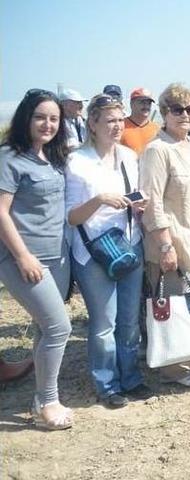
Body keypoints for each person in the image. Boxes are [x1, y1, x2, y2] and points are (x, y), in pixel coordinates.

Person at [65, 94, 151, 407]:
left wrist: (140, 204)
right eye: (109, 120)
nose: (116, 126)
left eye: (119, 119)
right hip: (93, 253)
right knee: (104, 323)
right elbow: (71, 216)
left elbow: (135, 198)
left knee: (128, 320)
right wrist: (99, 199)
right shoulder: (76, 161)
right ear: (92, 124)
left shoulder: (129, 156)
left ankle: (130, 377)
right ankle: (107, 385)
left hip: (129, 246)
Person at [0, 88, 73, 429]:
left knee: (47, 328)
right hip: (25, 261)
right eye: (40, 117)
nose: (47, 124)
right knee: (60, 328)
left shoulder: (52, 156)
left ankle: (40, 395)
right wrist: (22, 256)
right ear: (26, 119)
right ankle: (47, 403)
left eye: (54, 118)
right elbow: (1, 212)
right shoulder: (9, 157)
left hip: (57, 258)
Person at [139, 83, 190, 388]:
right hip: (171, 244)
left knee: (188, 304)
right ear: (164, 113)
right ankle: (174, 369)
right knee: (170, 304)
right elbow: (152, 202)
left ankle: (188, 359)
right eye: (176, 109)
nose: (185, 115)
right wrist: (165, 245)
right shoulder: (157, 150)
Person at [120, 87, 160, 156]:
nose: (146, 106)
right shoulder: (120, 126)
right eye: (142, 102)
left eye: (149, 103)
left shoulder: (157, 129)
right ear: (132, 104)